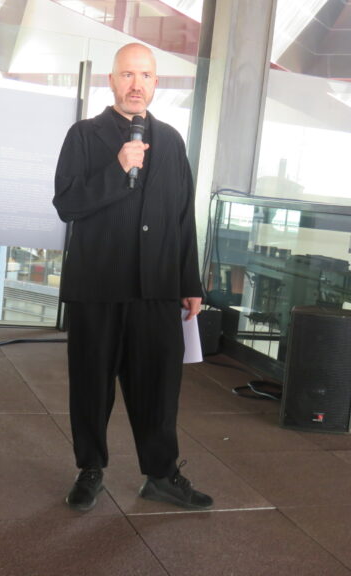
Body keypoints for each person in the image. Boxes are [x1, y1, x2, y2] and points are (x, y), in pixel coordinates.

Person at [53, 42, 213, 512]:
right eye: (127, 74)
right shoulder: (83, 136)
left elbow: (184, 218)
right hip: (97, 288)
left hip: (157, 290)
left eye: (145, 75)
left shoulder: (173, 141)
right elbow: (67, 204)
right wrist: (117, 167)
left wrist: (190, 283)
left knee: (159, 388)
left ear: (156, 83)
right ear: (112, 81)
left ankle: (161, 475)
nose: (136, 84)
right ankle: (90, 470)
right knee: (91, 385)